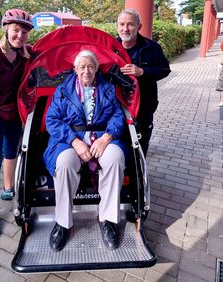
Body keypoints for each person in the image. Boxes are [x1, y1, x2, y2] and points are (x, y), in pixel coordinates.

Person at [43, 50, 127, 251]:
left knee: (115, 158)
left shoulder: (107, 89)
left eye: (91, 66)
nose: (86, 71)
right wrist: (75, 141)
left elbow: (118, 116)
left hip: (101, 139)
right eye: (82, 67)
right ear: (75, 70)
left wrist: (106, 137)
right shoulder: (63, 91)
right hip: (70, 140)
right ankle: (64, 223)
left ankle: (107, 219)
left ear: (97, 69)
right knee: (63, 163)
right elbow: (51, 121)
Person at [0, 9, 34, 239]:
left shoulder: (25, 54)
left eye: (24, 32)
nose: (19, 35)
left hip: (13, 114)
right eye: (15, 30)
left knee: (11, 151)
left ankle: (8, 188)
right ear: (6, 30)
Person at [117, 8, 171, 156]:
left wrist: (142, 72)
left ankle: (139, 177)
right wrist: (67, 32)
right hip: (116, 109)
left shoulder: (151, 47)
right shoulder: (110, 47)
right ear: (117, 27)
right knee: (118, 147)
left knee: (140, 147)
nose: (125, 29)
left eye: (130, 24)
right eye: (122, 24)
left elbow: (165, 69)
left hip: (144, 108)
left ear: (138, 27)